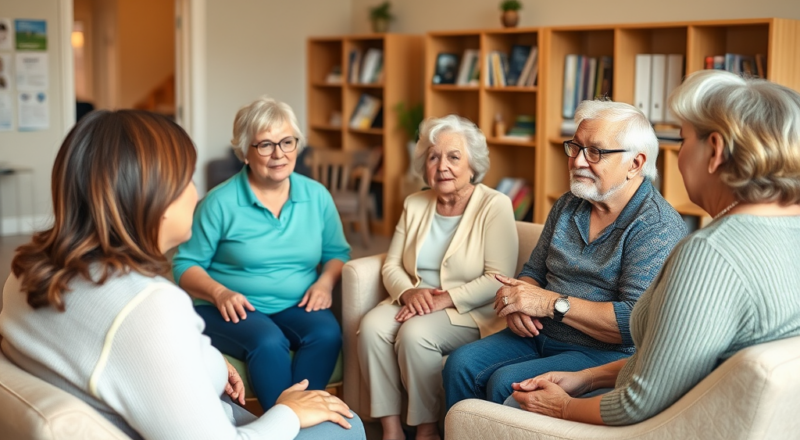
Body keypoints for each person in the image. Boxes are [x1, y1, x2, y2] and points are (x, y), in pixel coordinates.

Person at [0, 110, 365, 439]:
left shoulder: (24, 272)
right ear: (153, 198)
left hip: (192, 413)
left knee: (324, 336)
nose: (196, 193)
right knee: (351, 427)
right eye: (187, 180)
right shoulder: (151, 304)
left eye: (287, 142)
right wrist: (289, 412)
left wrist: (203, 358)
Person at [506, 69, 800, 426]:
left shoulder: (709, 254)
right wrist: (589, 377)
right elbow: (678, 361)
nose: (676, 155)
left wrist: (563, 407)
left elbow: (637, 402)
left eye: (682, 139)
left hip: (669, 427)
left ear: (715, 151)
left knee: (508, 401)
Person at [443, 100, 688, 410]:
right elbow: (533, 270)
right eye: (575, 147)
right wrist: (518, 302)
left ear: (635, 164)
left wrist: (545, 303)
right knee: (460, 363)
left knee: (507, 382)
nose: (577, 162)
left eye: (595, 152)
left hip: (602, 352)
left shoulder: (656, 225)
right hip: (539, 333)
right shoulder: (569, 203)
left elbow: (631, 322)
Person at [172, 97, 351, 409]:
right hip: (230, 307)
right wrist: (219, 293)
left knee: (327, 333)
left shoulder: (317, 196)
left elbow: (337, 252)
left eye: (287, 142)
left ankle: (298, 425)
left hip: (296, 303)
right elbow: (185, 264)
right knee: (268, 342)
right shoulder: (219, 202)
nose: (279, 154)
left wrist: (324, 283)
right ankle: (283, 423)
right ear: (244, 152)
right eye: (266, 145)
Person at [358, 115, 519, 440]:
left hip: (470, 309)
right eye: (433, 157)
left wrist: (443, 299)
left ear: (472, 165)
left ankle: (427, 428)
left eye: (453, 156)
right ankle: (390, 428)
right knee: (371, 327)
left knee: (415, 334)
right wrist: (408, 294)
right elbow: (391, 265)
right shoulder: (415, 203)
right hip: (417, 298)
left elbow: (498, 277)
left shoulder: (495, 205)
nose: (441, 165)